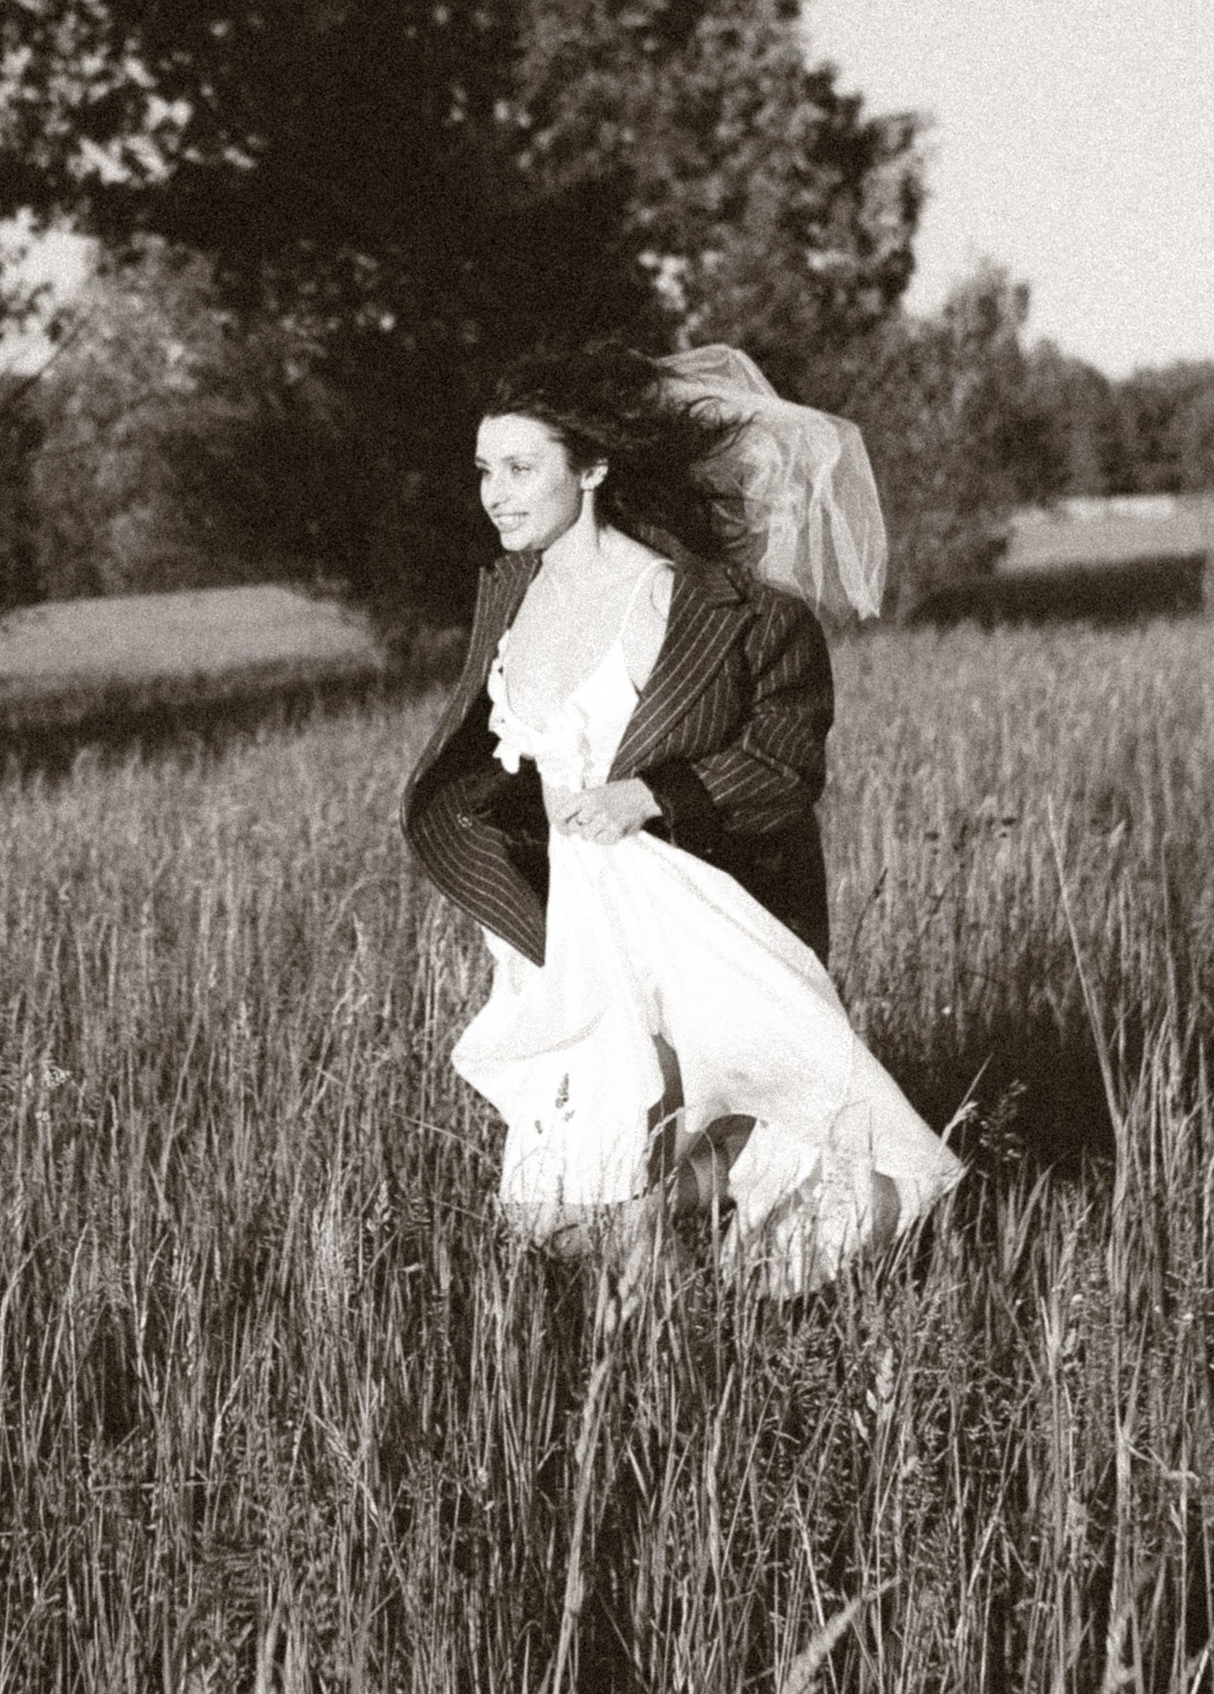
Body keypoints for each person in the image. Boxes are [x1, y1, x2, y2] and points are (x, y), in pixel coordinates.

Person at [400, 339, 959, 1285]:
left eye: (522, 467)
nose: (496, 492)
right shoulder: (510, 594)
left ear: (595, 469)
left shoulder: (687, 601)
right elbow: (495, 764)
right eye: (487, 470)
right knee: (562, 1202)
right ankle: (669, 1330)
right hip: (561, 921)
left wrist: (653, 794)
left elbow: (781, 762)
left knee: (646, 1151)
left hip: (674, 902)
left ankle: (683, 1364)